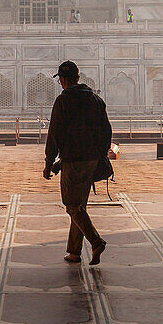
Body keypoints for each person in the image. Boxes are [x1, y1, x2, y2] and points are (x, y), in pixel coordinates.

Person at [43, 60, 111, 265]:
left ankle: (96, 241)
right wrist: (100, 155)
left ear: (63, 80)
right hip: (91, 160)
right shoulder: (95, 100)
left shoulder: (63, 101)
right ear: (78, 78)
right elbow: (106, 131)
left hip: (73, 161)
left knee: (72, 205)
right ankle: (74, 252)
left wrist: (49, 161)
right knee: (79, 206)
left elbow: (54, 134)